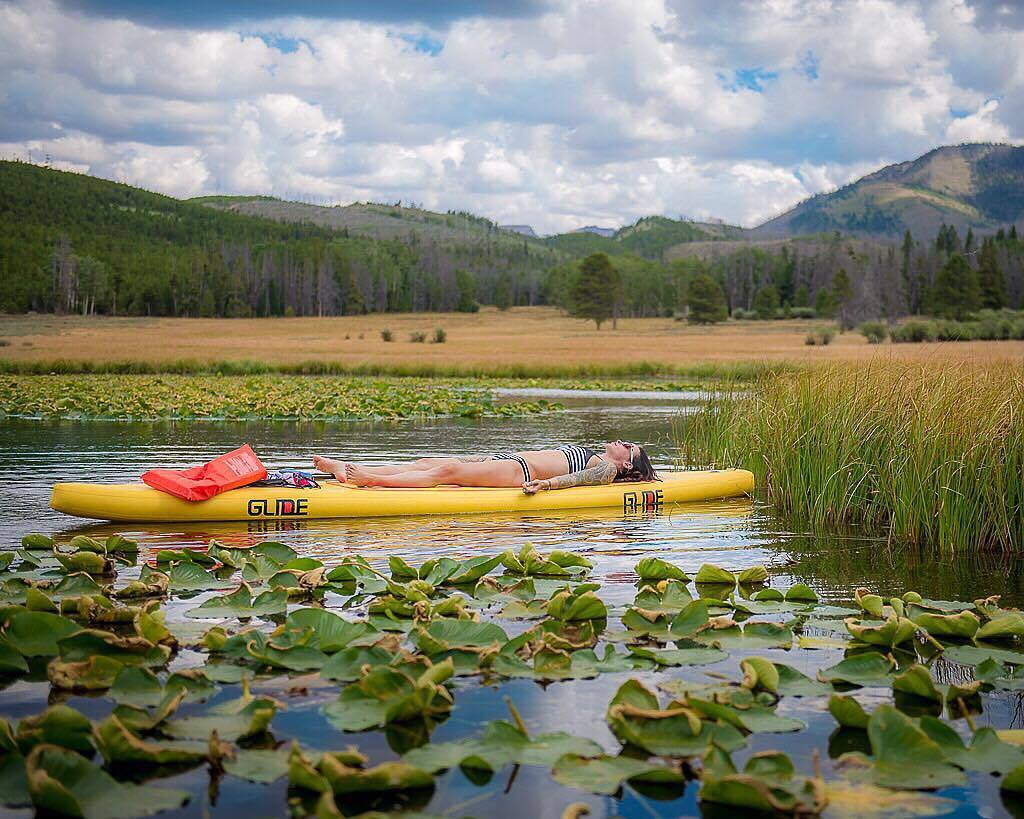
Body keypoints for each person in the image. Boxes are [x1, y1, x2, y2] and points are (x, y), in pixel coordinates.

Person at [312, 441, 657, 493]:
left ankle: (373, 481)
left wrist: (545, 487)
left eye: (628, 446)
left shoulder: (607, 470)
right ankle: (345, 469)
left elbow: (576, 478)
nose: (621, 442)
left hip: (521, 474)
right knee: (428, 462)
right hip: (510, 462)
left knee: (446, 472)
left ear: (627, 462)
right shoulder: (602, 457)